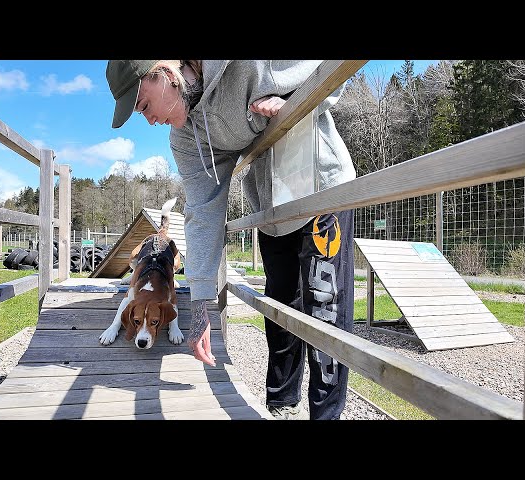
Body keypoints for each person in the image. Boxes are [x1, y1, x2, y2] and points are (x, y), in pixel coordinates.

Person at [106, 60, 357, 420]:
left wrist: (300, 105)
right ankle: (282, 404)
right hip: (272, 203)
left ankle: (326, 415)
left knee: (325, 304)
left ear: (162, 71)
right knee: (281, 303)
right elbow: (203, 211)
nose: (149, 120)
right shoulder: (186, 136)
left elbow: (327, 67)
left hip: (321, 185)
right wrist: (202, 306)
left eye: (144, 105)